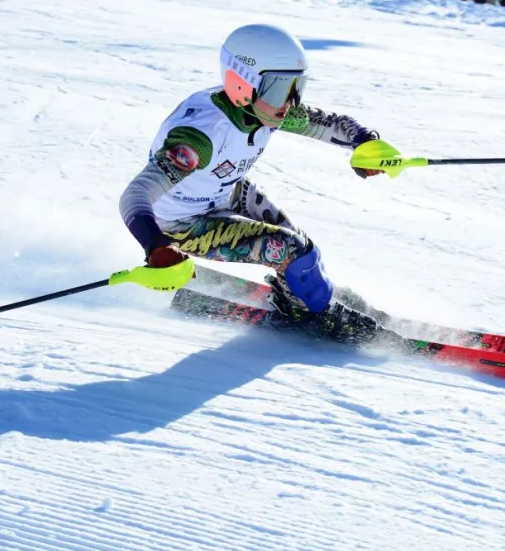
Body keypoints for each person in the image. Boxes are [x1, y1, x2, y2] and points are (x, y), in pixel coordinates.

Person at [119, 23, 385, 342]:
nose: (288, 103)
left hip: (225, 189)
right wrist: (155, 244)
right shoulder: (199, 138)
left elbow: (326, 123)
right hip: (182, 225)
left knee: (297, 246)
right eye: (278, 89)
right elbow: (135, 195)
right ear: (241, 84)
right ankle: (304, 312)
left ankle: (303, 286)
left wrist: (365, 142)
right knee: (295, 250)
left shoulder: (262, 109)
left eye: (295, 88)